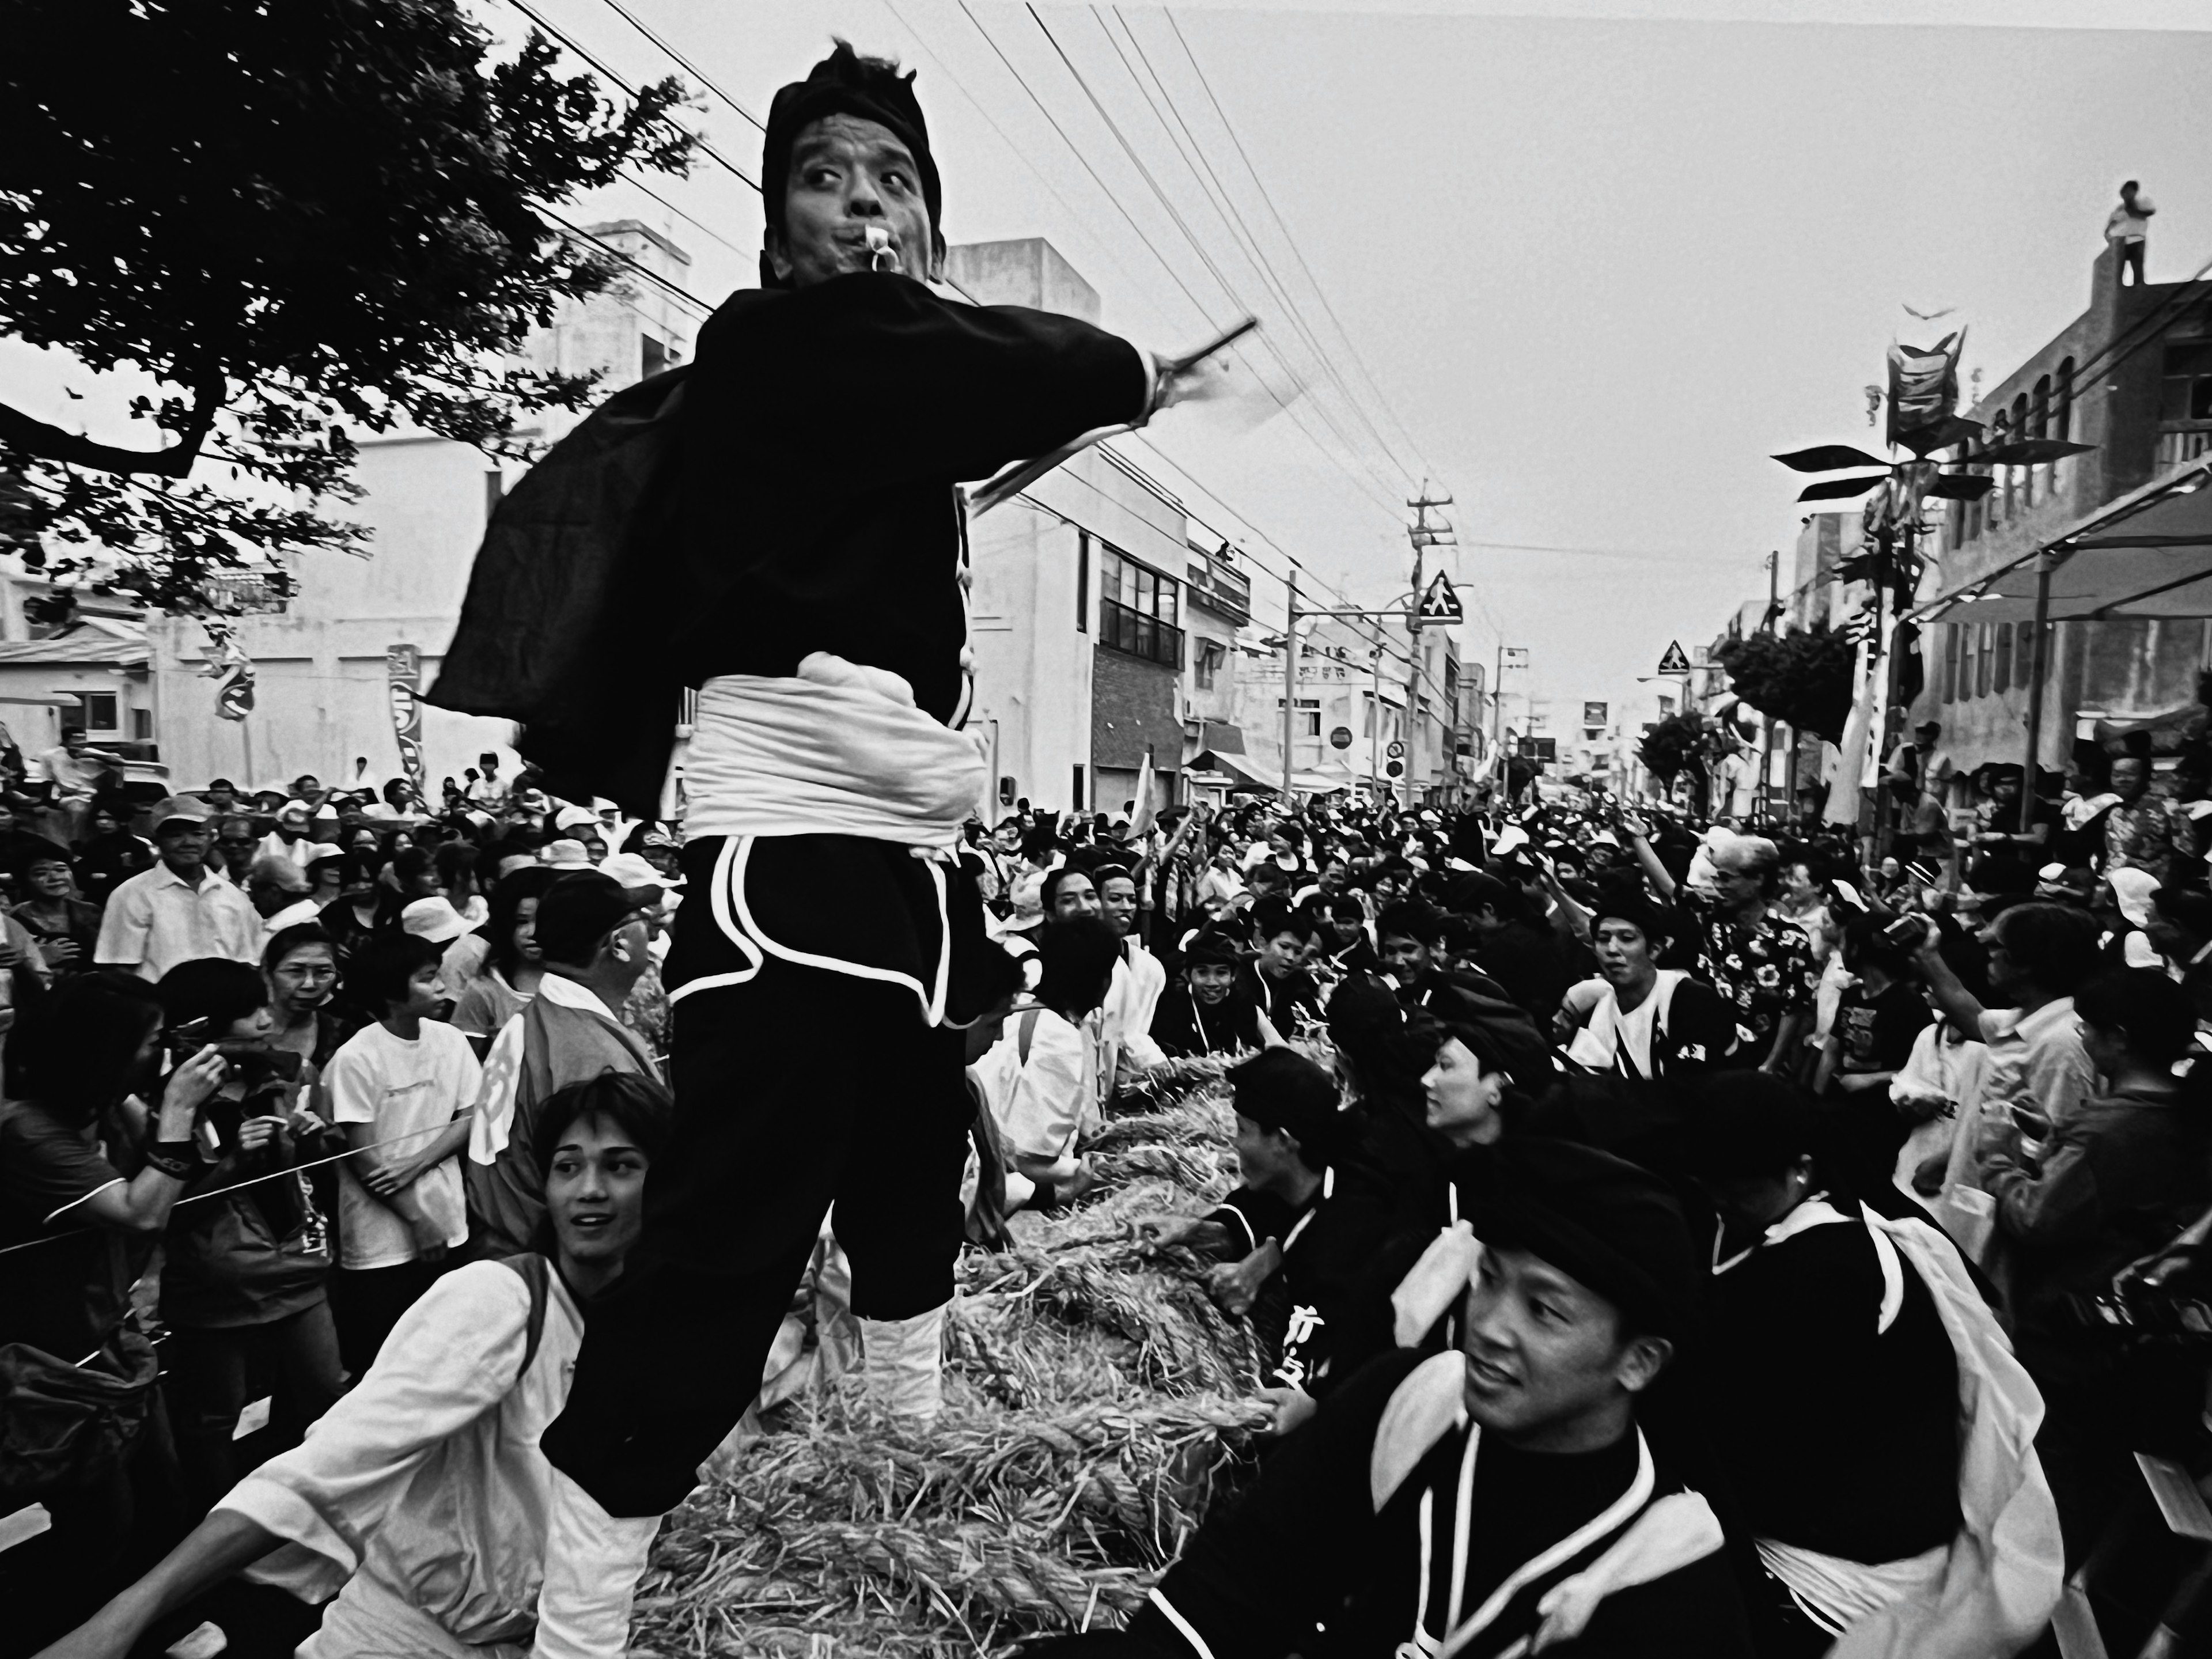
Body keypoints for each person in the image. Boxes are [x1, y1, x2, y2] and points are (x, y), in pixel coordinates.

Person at [31, 1072, 673, 1659]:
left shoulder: (650, 1336)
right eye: (569, 1166)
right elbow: (326, 1469)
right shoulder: (500, 1301)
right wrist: (123, 1619)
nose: (590, 1190)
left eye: (620, 1166)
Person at [1088, 1138, 1754, 1659]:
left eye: (1544, 1310)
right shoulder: (1409, 1403)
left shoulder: (1667, 1588)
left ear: (1638, 1362)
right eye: (1487, 1278)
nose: (1490, 1326)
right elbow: (1234, 1590)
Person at [1685, 1074, 2056, 1658]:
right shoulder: (1852, 1218)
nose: (1721, 1204)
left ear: (1800, 1169)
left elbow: (1758, 1448)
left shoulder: (1819, 1275)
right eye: (1710, 1188)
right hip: (1895, 1523)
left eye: (1739, 1191)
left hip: (1841, 1568)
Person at [0, 973, 230, 1648]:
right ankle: (74, 1635)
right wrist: (179, 1108)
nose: (163, 1053)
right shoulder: (25, 1131)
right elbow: (144, 1211)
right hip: (54, 1362)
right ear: (101, 1050)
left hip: (112, 1337)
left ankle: (148, 1624)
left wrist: (179, 1109)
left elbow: (195, 1170)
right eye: (153, 1041)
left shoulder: (101, 1104)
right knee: (101, 1524)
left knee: (164, 1496)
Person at [1979, 968, 2212, 1565]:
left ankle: (2045, 1596)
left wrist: (1999, 1161)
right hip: (2149, 1328)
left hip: (2071, 1330)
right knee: (2116, 1468)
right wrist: (2055, 1137)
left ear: (2121, 1039)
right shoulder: (2186, 1114)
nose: (2082, 1038)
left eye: (2089, 1028)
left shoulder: (2108, 1127)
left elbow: (2037, 1218)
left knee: (2059, 1469)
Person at [150, 958, 342, 1514]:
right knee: (213, 1417)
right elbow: (165, 1213)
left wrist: (311, 1139)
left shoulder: (285, 1076)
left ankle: (307, 1505)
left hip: (299, 1269)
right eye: (252, 1009)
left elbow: (313, 1175)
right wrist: (234, 1161)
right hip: (215, 1288)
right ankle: (214, 1527)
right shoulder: (167, 1100)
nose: (267, 1017)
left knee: (325, 1391)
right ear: (207, 1026)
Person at [466, 871, 659, 1257]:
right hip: (563, 1266)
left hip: (520, 1249)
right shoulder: (592, 1055)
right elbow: (603, 1191)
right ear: (619, 944)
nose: (650, 928)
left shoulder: (541, 1020)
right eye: (641, 918)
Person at [321, 934, 479, 1375]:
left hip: (447, 1218)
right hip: (379, 1239)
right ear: (392, 993)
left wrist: (417, 1163)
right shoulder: (357, 1057)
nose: (443, 988)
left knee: (446, 1354)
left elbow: (470, 1115)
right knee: (386, 1363)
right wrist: (417, 1219)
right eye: (429, 979)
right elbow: (364, 1156)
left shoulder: (449, 1039)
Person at [1625, 824, 1816, 1075]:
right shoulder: (1712, 914)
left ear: (1757, 879)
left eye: (1726, 878)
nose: (1718, 884)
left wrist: (1771, 1064)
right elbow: (1669, 889)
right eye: (1716, 876)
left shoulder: (1791, 938)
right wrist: (1639, 838)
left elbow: (1794, 1009)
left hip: (1755, 1059)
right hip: (1705, 1051)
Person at [977, 915, 1120, 1211]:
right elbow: (1027, 1161)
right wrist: (1096, 1171)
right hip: (1001, 1198)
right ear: (1102, 980)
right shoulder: (1058, 1036)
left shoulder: (1019, 1009)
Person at [1556, 888, 1736, 1081]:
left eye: (1627, 938)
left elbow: (1691, 1090)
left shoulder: (1691, 999)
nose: (1612, 949)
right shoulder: (1589, 999)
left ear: (1655, 950)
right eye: (1603, 939)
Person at [1814, 916, 1934, 1200]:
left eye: (1845, 942)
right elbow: (1833, 1047)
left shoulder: (1909, 1004)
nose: (1841, 950)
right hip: (1839, 1107)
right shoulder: (1853, 993)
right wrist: (1815, 1098)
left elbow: (1926, 1070)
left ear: (1858, 949)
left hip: (1880, 1119)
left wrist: (1868, 1080)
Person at [92, 806, 260, 983]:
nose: (188, 842)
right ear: (158, 841)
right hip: (159, 1004)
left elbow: (248, 962)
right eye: (175, 835)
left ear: (211, 838)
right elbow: (118, 968)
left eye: (198, 834)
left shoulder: (233, 896)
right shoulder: (130, 895)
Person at [1151, 927, 1275, 1059]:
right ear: (1188, 975)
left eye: (1221, 973)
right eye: (1202, 972)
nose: (1212, 983)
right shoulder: (1170, 1008)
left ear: (1233, 976)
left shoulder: (1243, 1005)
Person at [2101, 753, 2198, 887]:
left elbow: (2191, 851)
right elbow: (2114, 857)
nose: (2122, 780)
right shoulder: (2115, 812)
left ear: (2147, 777)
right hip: (2120, 891)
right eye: (2117, 775)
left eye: (2130, 775)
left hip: (2156, 892)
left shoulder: (2166, 808)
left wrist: (2175, 821)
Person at [13, 843, 103, 978]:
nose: (55, 878)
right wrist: (37, 958)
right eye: (41, 873)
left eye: (61, 869)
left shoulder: (92, 912)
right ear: (24, 880)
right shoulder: (14, 920)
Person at [1238, 900, 1324, 1036]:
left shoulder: (1297, 979)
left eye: (1298, 952)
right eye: (1284, 947)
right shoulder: (1239, 975)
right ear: (1263, 944)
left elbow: (1313, 1016)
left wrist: (1321, 1031)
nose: (1290, 957)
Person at [245, 855, 321, 937]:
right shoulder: (315, 915)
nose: (252, 898)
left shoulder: (284, 930)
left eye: (255, 891)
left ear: (274, 893)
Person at [2106, 179, 2155, 286]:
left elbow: (2147, 213)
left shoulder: (2143, 203)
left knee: (2137, 268)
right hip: (2120, 242)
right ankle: (2119, 289)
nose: (2128, 193)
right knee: (2118, 270)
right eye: (2126, 191)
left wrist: (2132, 209)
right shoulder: (2118, 210)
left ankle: (2138, 290)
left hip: (2137, 240)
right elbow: (2109, 229)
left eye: (2131, 191)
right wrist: (2111, 239)